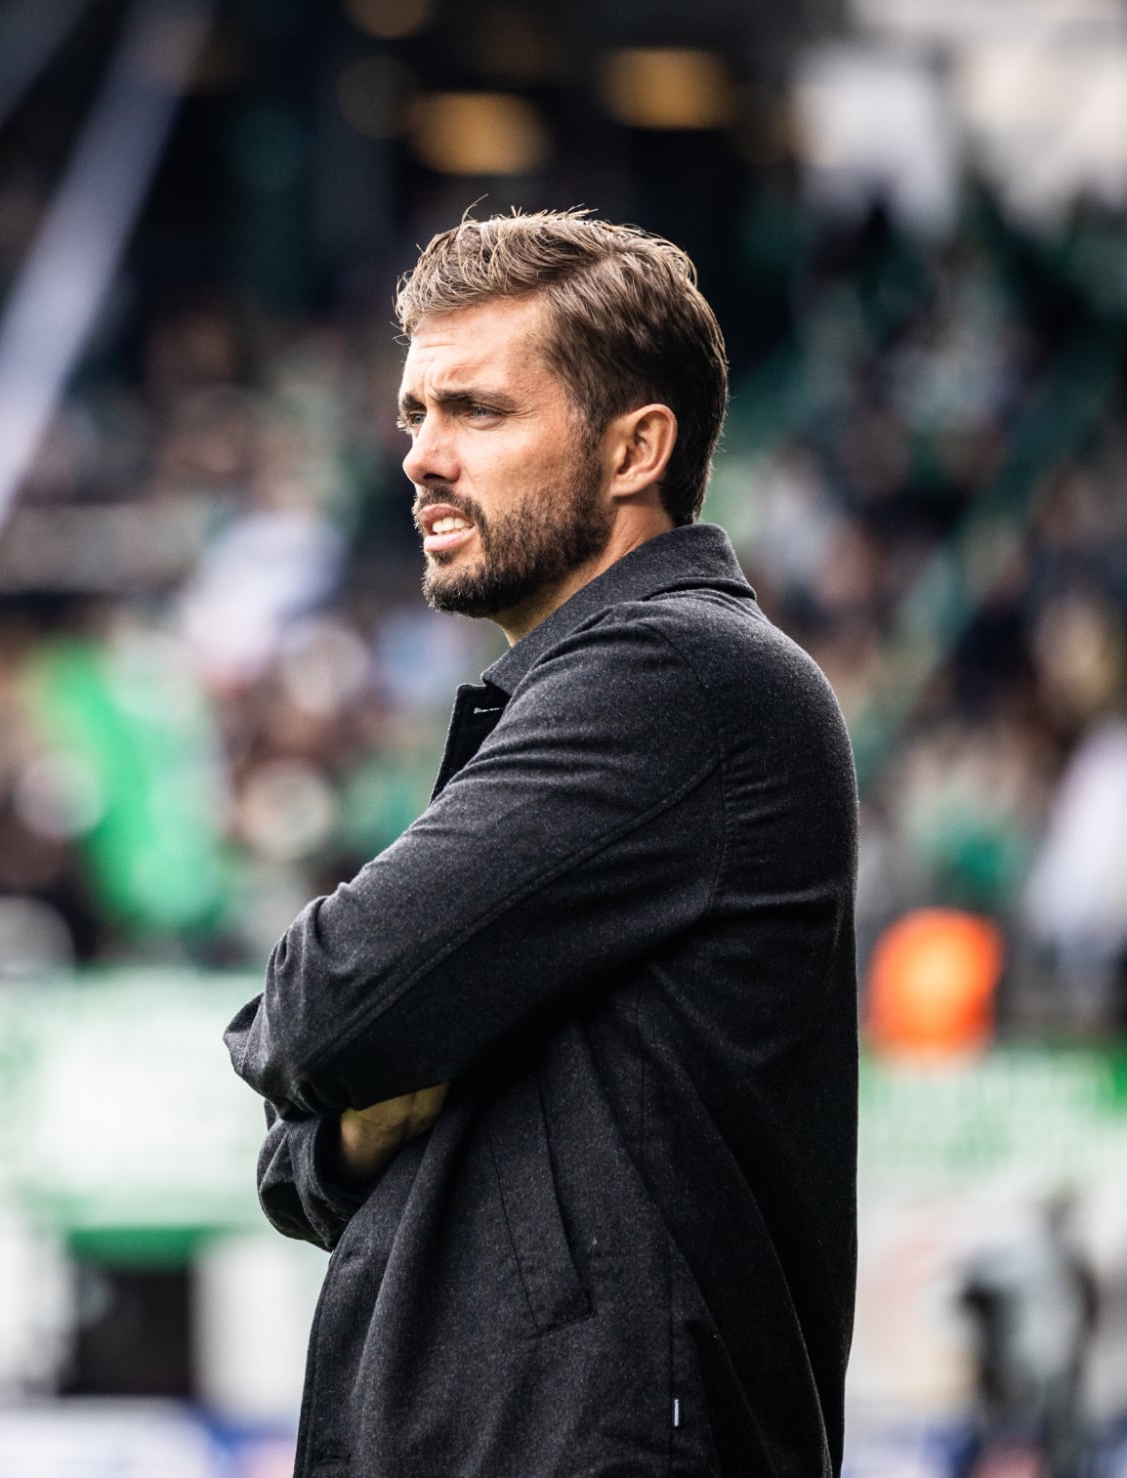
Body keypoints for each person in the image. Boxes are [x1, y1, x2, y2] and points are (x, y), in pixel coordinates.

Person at [224, 210, 859, 1476]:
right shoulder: (594, 693)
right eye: (414, 413)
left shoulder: (676, 674)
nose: (418, 456)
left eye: (477, 411)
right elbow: (300, 1158)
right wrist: (344, 1130)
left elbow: (317, 1003)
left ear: (634, 447)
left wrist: (344, 1083)